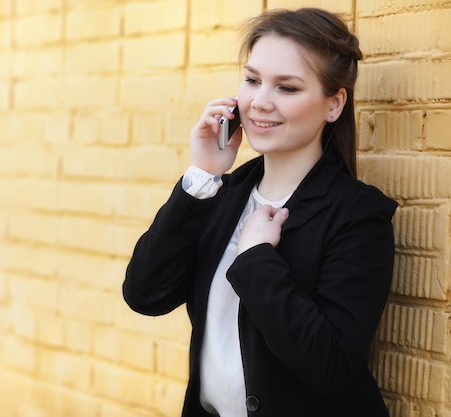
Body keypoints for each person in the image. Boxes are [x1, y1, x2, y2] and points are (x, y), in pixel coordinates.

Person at [123, 7, 398, 417]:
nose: (259, 102)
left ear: (334, 104)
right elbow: (146, 295)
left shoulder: (357, 215)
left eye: (286, 88)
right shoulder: (220, 194)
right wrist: (202, 176)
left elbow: (332, 367)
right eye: (252, 80)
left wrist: (256, 260)